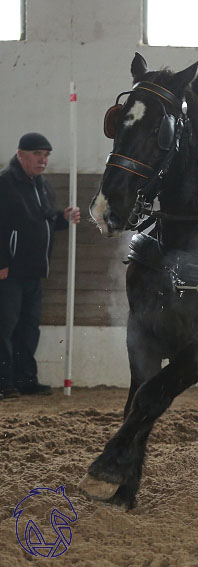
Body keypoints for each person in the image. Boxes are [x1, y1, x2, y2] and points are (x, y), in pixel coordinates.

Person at [0, 133, 81, 400]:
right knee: (5, 327)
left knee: (29, 328)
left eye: (46, 155)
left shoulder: (42, 186)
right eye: (38, 154)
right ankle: (3, 382)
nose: (43, 160)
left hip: (34, 271)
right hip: (9, 271)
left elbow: (44, 220)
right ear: (21, 154)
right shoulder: (5, 183)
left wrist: (64, 218)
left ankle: (25, 380)